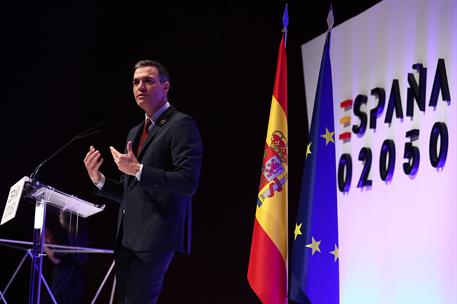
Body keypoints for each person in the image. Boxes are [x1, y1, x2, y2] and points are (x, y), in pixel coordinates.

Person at [83, 60, 203, 303]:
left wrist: (139, 169)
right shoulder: (135, 131)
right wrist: (100, 180)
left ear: (165, 87)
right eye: (136, 82)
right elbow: (131, 191)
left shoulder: (181, 125)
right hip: (127, 239)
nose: (140, 86)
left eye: (148, 80)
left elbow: (188, 182)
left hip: (156, 237)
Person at [44, 210, 89, 304]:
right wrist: (50, 240)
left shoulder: (74, 232)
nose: (60, 214)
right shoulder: (74, 231)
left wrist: (43, 244)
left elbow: (58, 258)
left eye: (62, 213)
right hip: (73, 282)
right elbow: (61, 253)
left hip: (67, 281)